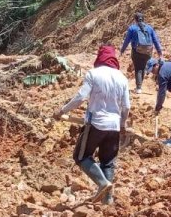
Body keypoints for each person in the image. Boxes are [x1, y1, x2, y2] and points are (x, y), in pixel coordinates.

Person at [55, 45, 131, 205]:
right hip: (114, 126)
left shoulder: (93, 74)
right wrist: (122, 124)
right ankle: (107, 200)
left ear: (100, 57)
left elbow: (81, 97)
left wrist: (62, 110)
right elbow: (126, 106)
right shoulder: (122, 78)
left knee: (81, 156)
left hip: (96, 124)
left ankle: (102, 183)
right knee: (108, 162)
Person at [119, 11, 163, 94]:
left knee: (138, 68)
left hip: (136, 51)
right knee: (143, 67)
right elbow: (155, 40)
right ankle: (140, 86)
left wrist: (122, 50)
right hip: (148, 52)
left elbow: (127, 41)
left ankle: (138, 87)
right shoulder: (149, 28)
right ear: (143, 19)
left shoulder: (132, 28)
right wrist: (159, 52)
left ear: (135, 19)